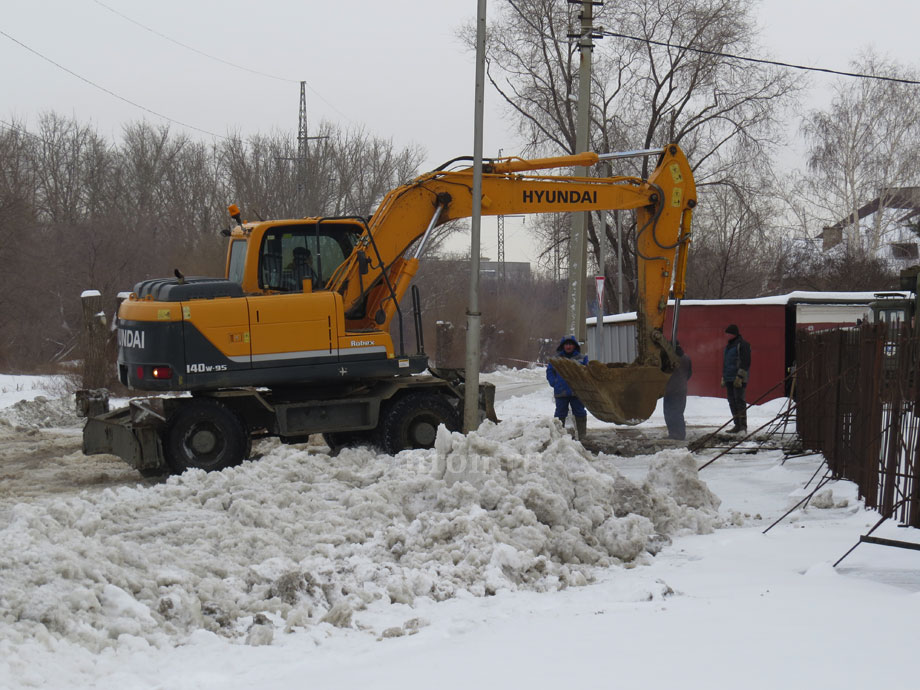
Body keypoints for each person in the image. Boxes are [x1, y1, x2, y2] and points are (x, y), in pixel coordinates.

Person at [546, 335, 589, 440]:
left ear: (574, 346)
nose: (568, 346)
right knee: (560, 413)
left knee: (580, 412)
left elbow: (587, 372)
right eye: (566, 344)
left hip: (577, 392)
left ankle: (582, 436)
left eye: (570, 344)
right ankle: (558, 436)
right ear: (563, 346)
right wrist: (554, 382)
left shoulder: (582, 358)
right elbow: (550, 372)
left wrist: (583, 385)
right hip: (561, 391)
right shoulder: (556, 359)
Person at [721, 324, 751, 433]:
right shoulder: (729, 346)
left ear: (733, 334)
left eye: (727, 333)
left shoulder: (743, 345)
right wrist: (724, 376)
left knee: (739, 401)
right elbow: (726, 363)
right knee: (732, 401)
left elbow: (746, 362)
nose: (726, 335)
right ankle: (737, 425)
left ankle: (743, 426)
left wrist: (740, 376)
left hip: (738, 378)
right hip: (729, 378)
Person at [663, 341, 692, 440]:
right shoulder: (686, 357)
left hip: (669, 390)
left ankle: (673, 433)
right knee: (679, 412)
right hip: (681, 389)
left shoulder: (669, 359)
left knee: (669, 413)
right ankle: (680, 434)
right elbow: (689, 373)